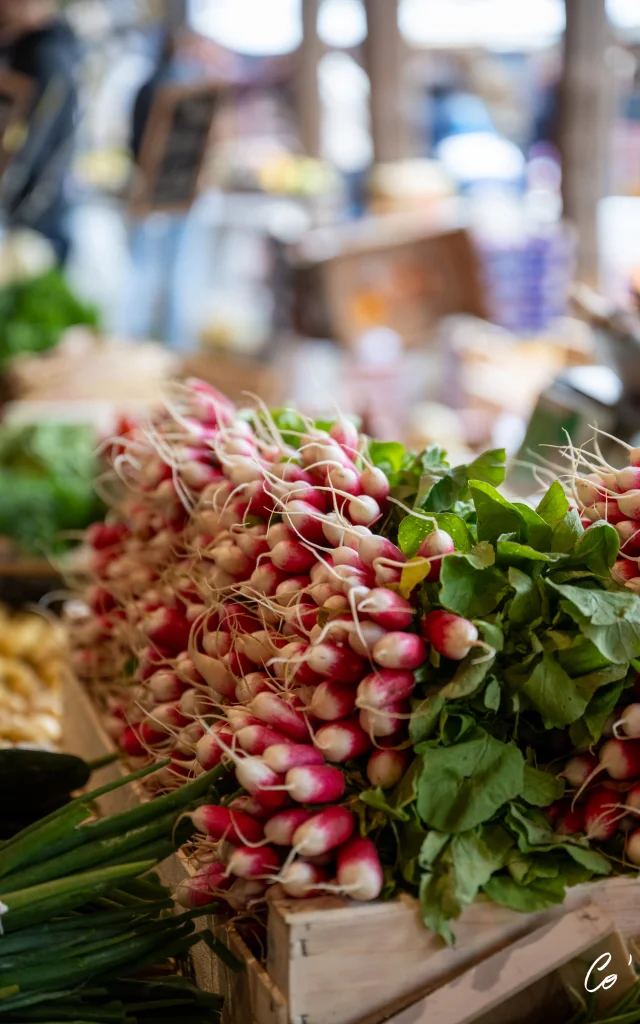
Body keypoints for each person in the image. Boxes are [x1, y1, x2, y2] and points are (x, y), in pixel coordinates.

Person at [0, 0, 78, 263]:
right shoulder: (23, 47)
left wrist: (18, 208)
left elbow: (37, 141)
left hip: (29, 207)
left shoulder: (47, 53)